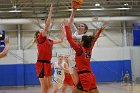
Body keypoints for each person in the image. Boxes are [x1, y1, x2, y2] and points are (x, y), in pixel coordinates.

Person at [63, 20, 106, 93]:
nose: (79, 41)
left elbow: (69, 39)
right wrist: (100, 30)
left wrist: (66, 27)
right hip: (90, 75)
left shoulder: (79, 50)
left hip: (84, 76)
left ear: (83, 42)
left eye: (80, 40)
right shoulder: (89, 48)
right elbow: (95, 39)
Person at [33, 3, 65, 93]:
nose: (42, 31)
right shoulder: (41, 39)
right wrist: (50, 11)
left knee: (49, 86)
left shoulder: (49, 41)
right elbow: (47, 25)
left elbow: (61, 40)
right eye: (40, 31)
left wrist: (63, 30)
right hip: (41, 64)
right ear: (39, 34)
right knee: (44, 88)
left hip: (47, 64)